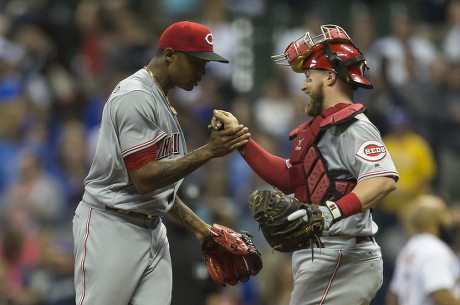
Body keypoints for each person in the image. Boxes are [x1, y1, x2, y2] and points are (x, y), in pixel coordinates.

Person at [213, 24, 399, 305]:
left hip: (342, 254)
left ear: (330, 77)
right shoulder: (318, 130)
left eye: (309, 77)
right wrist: (241, 140)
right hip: (325, 255)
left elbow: (382, 179)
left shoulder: (354, 126)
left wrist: (330, 212)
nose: (303, 85)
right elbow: (290, 178)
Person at [72, 21, 252, 305]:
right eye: (197, 62)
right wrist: (209, 151)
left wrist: (201, 229)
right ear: (170, 55)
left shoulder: (161, 100)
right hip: (112, 226)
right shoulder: (136, 96)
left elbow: (160, 191)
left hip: (152, 228)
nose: (203, 72)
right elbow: (145, 179)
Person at [385, 195, 460, 305]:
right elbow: (440, 293)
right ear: (430, 220)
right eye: (444, 212)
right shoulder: (433, 248)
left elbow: (393, 296)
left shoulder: (409, 248)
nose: (449, 219)